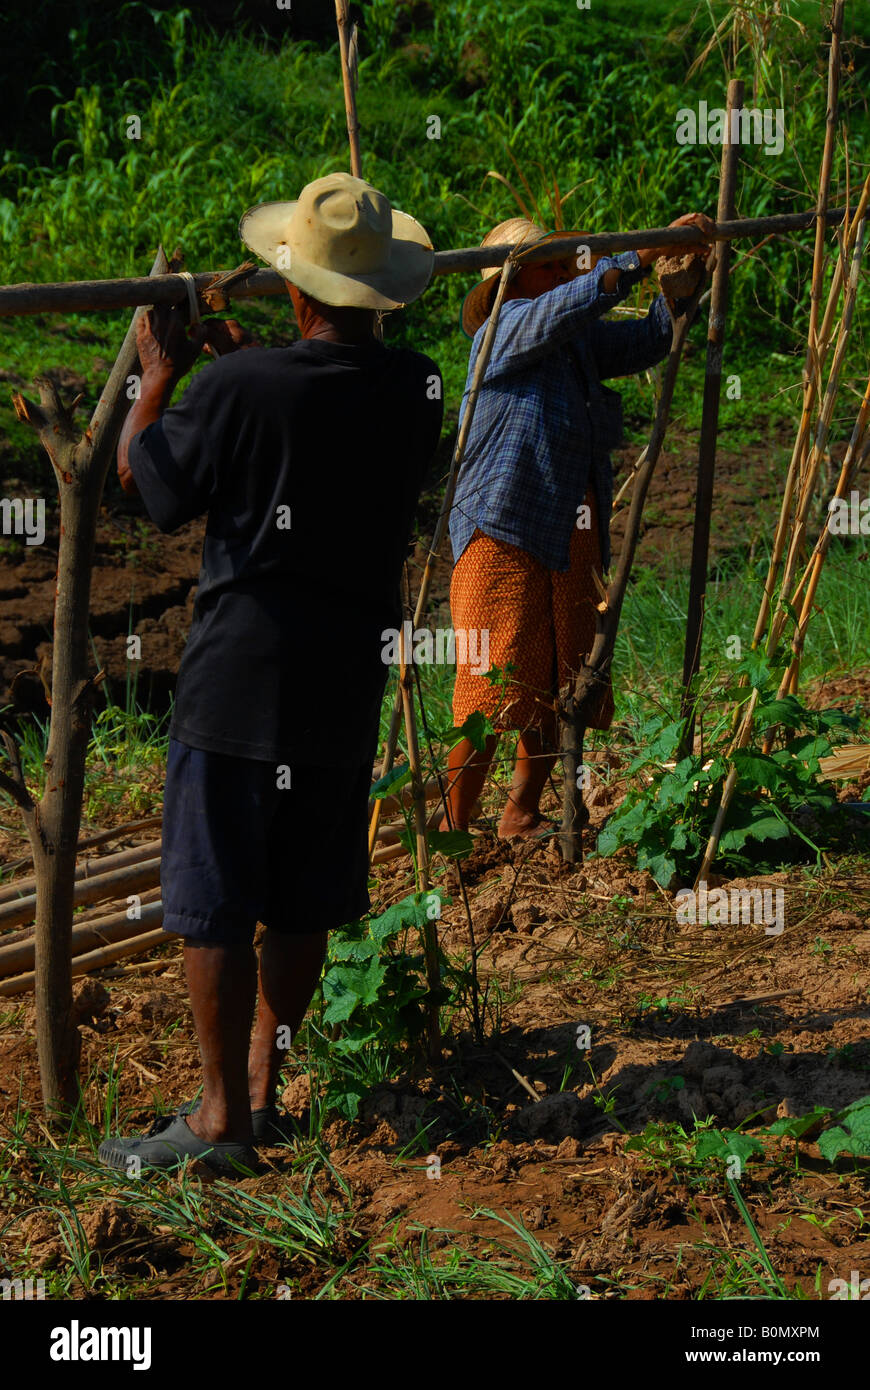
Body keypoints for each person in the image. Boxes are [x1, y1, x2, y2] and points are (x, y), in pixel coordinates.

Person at [99, 173, 443, 1175]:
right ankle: (259, 1083)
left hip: (241, 675)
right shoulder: (416, 390)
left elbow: (148, 484)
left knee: (214, 894)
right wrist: (243, 371)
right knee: (299, 892)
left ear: (295, 291)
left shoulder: (242, 390)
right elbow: (314, 412)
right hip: (342, 678)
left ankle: (218, 1121)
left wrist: (161, 375)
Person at [441, 212, 714, 840]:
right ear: (511, 281)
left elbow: (647, 341)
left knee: (560, 670)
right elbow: (565, 306)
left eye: (568, 261)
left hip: (568, 525)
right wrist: (638, 258)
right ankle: (455, 829)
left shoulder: (575, 340)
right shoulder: (504, 329)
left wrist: (679, 289)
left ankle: (523, 811)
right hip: (499, 528)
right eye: (552, 264)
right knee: (489, 684)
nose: (567, 270)